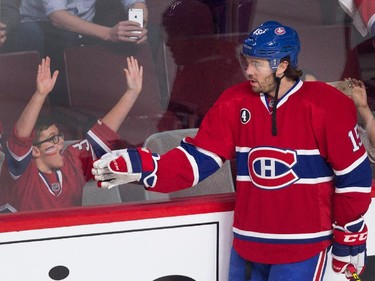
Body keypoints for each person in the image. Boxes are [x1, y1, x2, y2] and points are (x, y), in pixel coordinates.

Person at [91, 21, 372, 280]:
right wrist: (149, 169)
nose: (248, 70)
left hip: (304, 245)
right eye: (247, 61)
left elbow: (354, 174)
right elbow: (199, 158)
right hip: (248, 243)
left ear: (283, 65)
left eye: (257, 64)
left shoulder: (326, 104)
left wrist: (350, 230)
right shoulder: (234, 102)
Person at [0, 55, 143, 212]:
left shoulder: (72, 163)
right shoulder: (20, 173)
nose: (60, 142)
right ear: (34, 150)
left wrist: (132, 93)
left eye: (59, 136)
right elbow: (21, 137)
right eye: (52, 139)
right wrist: (40, 95)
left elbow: (103, 133)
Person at [11, 0, 148, 106]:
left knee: (149, 34)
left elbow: (136, 2)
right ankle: (62, 113)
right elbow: (57, 16)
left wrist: (138, 26)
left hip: (85, 25)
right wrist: (108, 33)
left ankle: (140, 107)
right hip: (42, 25)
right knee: (66, 38)